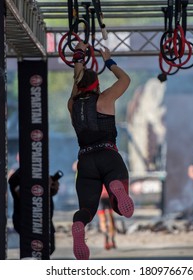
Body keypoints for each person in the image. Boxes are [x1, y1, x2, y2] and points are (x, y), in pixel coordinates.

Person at [68, 41, 134, 260]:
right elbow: (125, 80)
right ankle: (116, 187)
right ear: (97, 84)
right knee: (118, 206)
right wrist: (109, 61)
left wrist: (79, 54)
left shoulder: (72, 103)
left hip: (85, 161)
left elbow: (77, 81)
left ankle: (79, 225)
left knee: (86, 209)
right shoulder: (105, 99)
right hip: (108, 155)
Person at [8, 168, 62, 256]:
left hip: (44, 219)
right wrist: (44, 187)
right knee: (34, 251)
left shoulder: (40, 170)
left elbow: (49, 193)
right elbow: (23, 195)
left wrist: (53, 188)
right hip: (29, 220)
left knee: (49, 249)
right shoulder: (18, 177)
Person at [97, 185, 117, 250]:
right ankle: (111, 240)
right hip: (108, 196)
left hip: (102, 197)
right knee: (110, 219)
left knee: (103, 219)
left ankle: (107, 240)